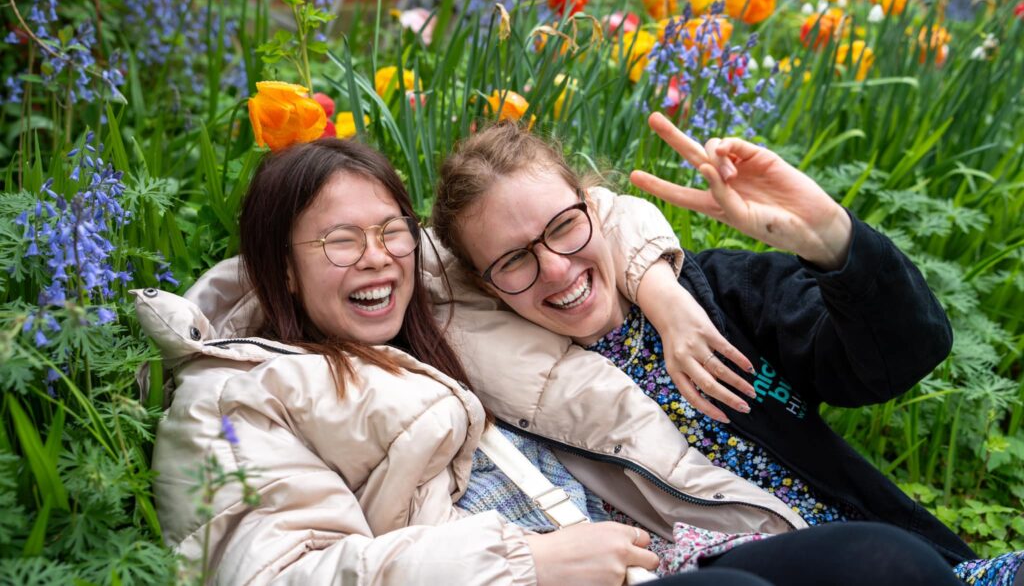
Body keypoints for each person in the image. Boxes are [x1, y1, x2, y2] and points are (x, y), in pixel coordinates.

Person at [134, 137, 782, 586]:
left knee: (874, 558)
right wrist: (526, 562)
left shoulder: (438, 289)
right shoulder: (230, 393)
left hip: (650, 549)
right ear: (284, 268)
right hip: (532, 571)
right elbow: (273, 574)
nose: (377, 257)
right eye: (340, 240)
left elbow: (583, 209)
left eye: (391, 230)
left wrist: (662, 292)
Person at [428, 114, 1022, 585]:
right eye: (513, 260)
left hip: (910, 565)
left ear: (596, 208)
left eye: (564, 226)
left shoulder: (718, 295)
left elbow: (902, 353)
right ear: (482, 284)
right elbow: (410, 267)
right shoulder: (524, 405)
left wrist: (830, 237)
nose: (556, 269)